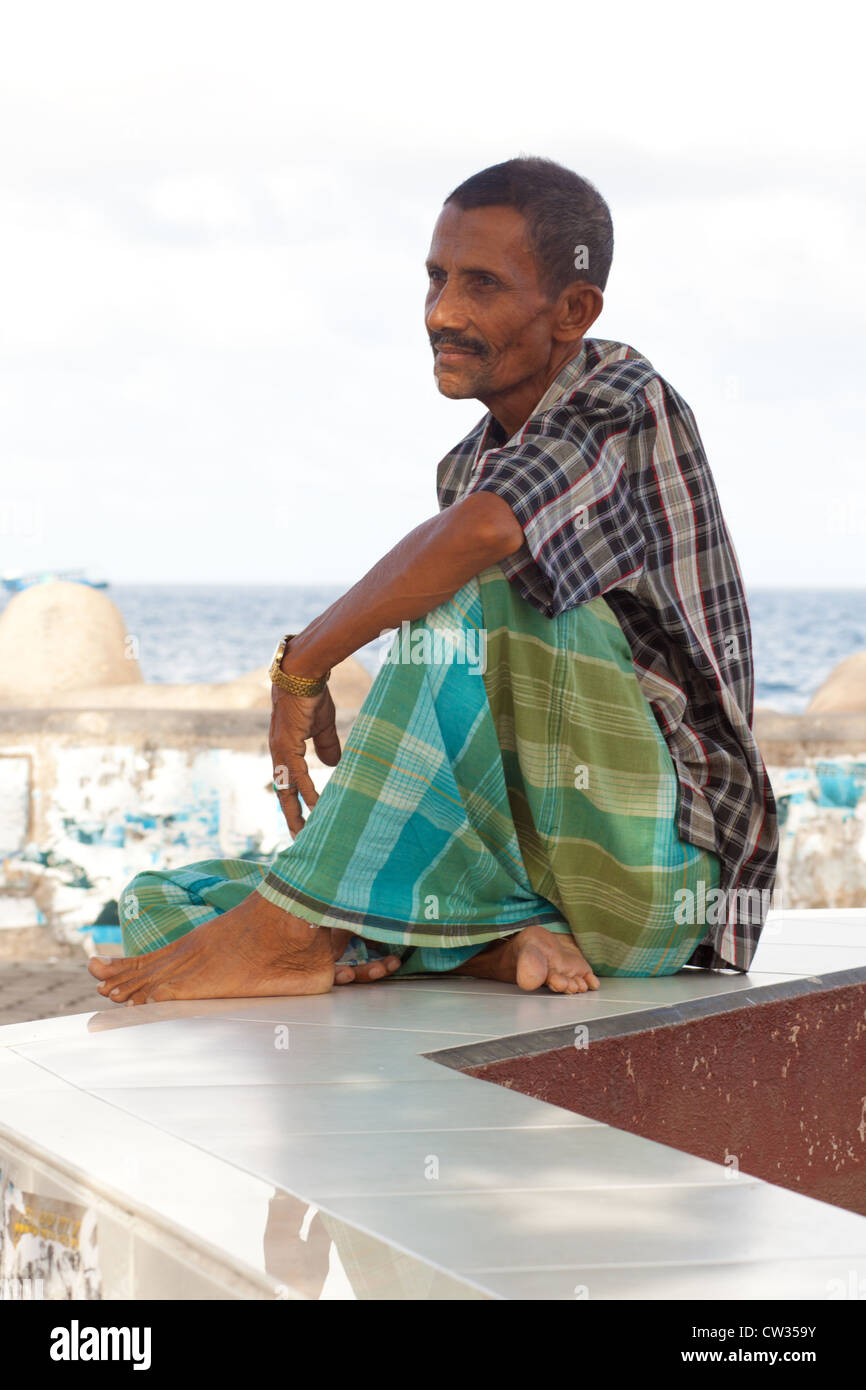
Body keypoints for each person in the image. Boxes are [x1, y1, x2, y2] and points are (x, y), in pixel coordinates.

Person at [89, 156, 778, 1007]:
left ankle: (306, 932)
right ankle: (481, 943)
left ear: (573, 310)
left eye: (482, 285)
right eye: (437, 278)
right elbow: (473, 533)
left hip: (662, 884)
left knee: (479, 574)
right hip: (543, 883)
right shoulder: (470, 466)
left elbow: (485, 533)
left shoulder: (624, 399)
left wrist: (302, 664)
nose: (441, 312)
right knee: (167, 905)